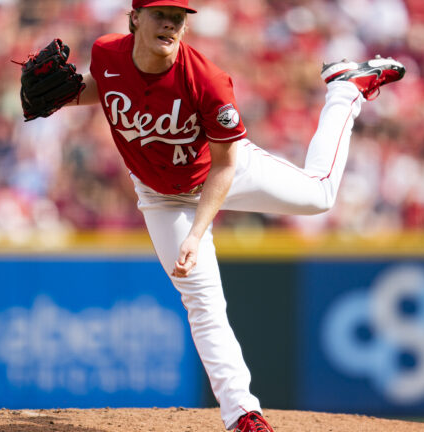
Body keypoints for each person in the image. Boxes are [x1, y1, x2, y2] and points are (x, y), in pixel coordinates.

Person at [68, 0, 405, 430]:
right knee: (202, 301)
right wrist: (61, 98)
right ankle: (243, 414)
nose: (170, 24)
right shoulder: (105, 53)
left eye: (178, 17)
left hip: (224, 169)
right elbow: (104, 84)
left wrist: (195, 234)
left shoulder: (207, 80)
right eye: (159, 14)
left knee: (320, 196)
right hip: (161, 194)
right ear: (134, 18)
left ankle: (344, 90)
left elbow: (225, 166)